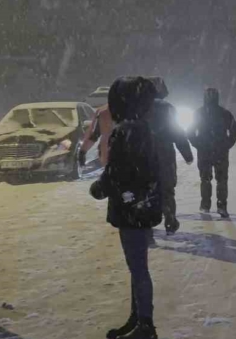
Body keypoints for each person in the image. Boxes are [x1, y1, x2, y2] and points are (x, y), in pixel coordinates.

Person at [90, 76, 161, 339]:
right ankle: (138, 318)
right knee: (137, 267)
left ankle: (146, 325)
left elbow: (117, 172)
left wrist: (100, 188)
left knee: (139, 268)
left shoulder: (127, 131)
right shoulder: (143, 127)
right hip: (141, 205)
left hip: (132, 208)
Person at [146, 77, 193, 235]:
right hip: (165, 154)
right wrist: (187, 154)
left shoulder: (137, 108)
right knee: (167, 189)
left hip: (143, 155)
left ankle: (147, 226)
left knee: (147, 190)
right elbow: (178, 133)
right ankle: (169, 219)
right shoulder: (167, 108)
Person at [189, 87, 236, 218]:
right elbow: (234, 132)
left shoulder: (199, 113)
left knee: (205, 179)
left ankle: (206, 206)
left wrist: (199, 144)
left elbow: (190, 133)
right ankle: (221, 206)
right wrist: (226, 145)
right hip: (219, 153)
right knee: (221, 180)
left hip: (206, 152)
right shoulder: (225, 113)